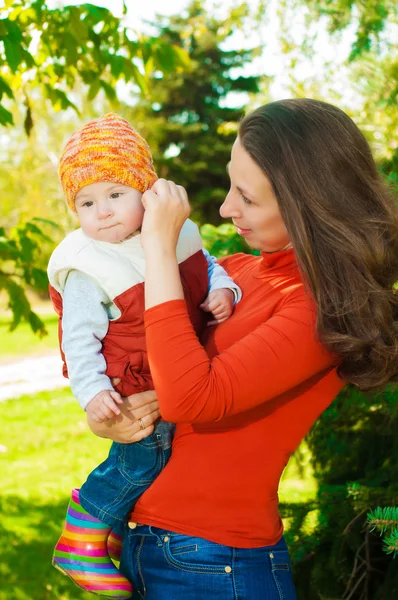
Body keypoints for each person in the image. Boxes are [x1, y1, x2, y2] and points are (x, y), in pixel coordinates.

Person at [87, 98, 398, 600]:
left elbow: (193, 399)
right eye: (232, 185)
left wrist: (160, 248)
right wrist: (110, 414)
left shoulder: (317, 312)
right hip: (149, 545)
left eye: (247, 198)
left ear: (308, 204)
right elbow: (145, 363)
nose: (226, 207)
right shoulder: (234, 272)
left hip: (216, 564)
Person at [47, 113, 241, 599]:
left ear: (146, 191)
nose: (103, 212)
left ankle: (110, 525)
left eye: (116, 194)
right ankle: (81, 536)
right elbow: (78, 339)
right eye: (87, 202)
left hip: (173, 370)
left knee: (158, 456)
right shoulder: (88, 268)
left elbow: (208, 264)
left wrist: (224, 288)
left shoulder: (175, 232)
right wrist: (93, 394)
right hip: (132, 387)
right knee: (141, 458)